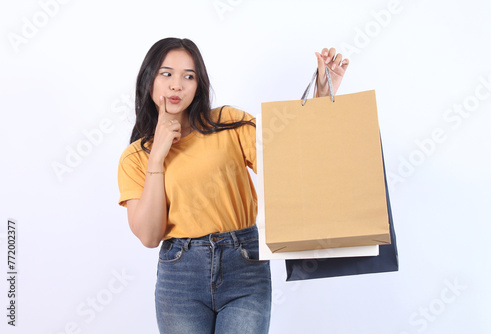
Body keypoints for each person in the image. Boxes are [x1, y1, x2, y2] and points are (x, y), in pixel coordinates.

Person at [117, 37, 348, 334]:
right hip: (180, 276)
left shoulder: (227, 123)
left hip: (245, 265)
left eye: (189, 76)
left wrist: (322, 96)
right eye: (167, 73)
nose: (177, 85)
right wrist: (157, 157)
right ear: (148, 79)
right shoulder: (135, 157)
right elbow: (149, 236)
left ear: (199, 84)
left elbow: (292, 163)